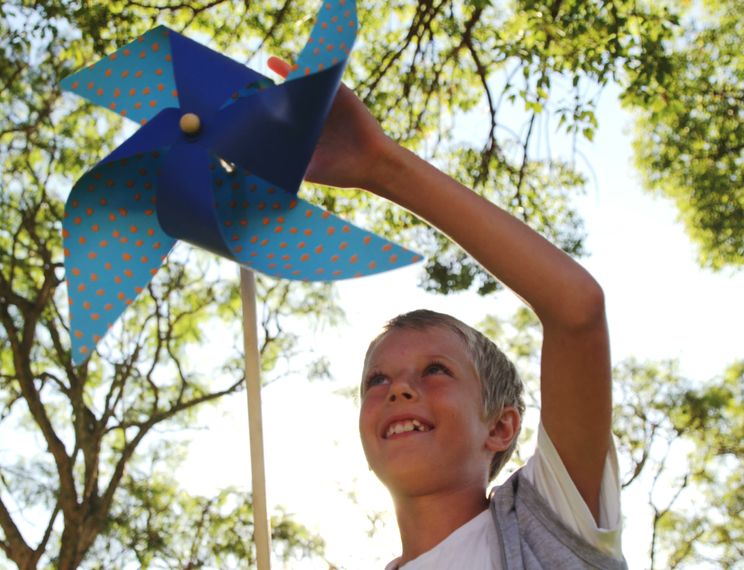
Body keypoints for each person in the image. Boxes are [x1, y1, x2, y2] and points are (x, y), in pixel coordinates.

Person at [267, 57, 624, 569]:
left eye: (435, 370)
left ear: (500, 428)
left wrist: (380, 165)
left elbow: (577, 311)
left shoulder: (546, 526)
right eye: (376, 380)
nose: (398, 388)